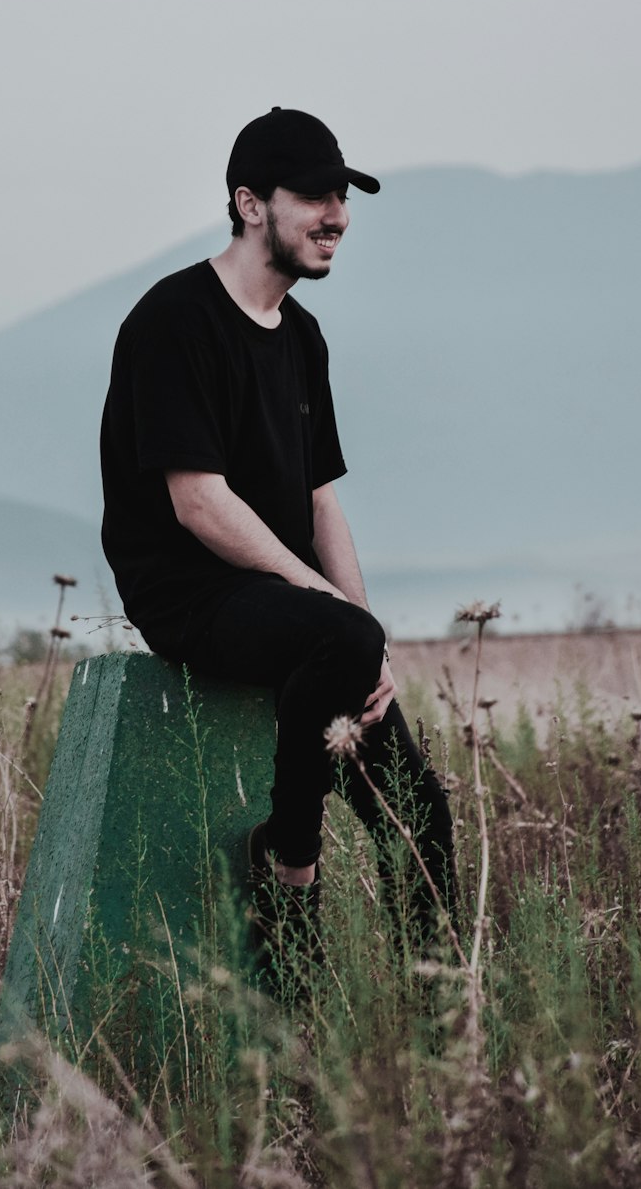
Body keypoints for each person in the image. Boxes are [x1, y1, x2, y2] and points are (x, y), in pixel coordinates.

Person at [100, 107, 456, 988]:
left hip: (290, 607)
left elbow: (319, 496)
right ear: (250, 203)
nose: (336, 214)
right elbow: (197, 503)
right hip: (193, 593)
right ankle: (287, 864)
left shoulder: (302, 336)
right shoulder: (175, 319)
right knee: (337, 634)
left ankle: (442, 1033)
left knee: (424, 816)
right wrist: (332, 613)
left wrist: (365, 636)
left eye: (343, 196)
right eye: (314, 196)